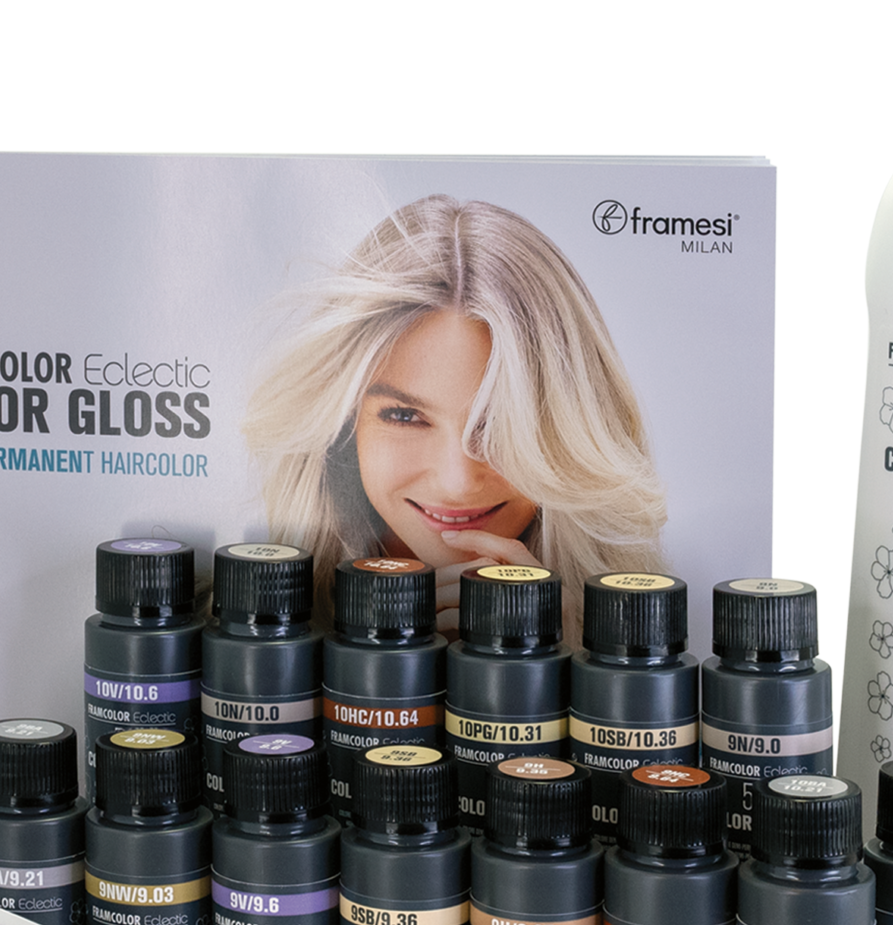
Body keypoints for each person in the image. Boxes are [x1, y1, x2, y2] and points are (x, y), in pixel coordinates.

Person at [243, 194, 666, 635]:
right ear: (343, 423)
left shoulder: (636, 641)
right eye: (405, 416)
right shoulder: (242, 628)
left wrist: (560, 659)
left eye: (501, 422)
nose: (457, 482)